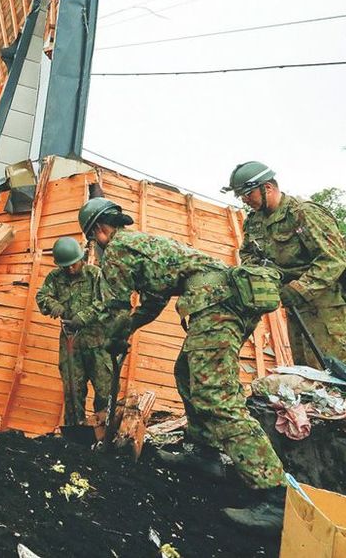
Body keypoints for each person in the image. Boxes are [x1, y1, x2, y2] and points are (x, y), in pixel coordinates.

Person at [79, 197, 287, 531]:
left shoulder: (118, 250)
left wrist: (113, 337)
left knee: (216, 397)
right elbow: (153, 301)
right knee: (187, 373)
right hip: (222, 299)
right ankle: (205, 455)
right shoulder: (143, 247)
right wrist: (129, 328)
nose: (96, 246)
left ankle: (275, 495)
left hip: (215, 303)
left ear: (100, 230)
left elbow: (114, 306)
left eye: (93, 239)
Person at [226, 161, 346, 370]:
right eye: (241, 196)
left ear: (267, 187)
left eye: (248, 194)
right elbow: (248, 253)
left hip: (328, 309)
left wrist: (300, 289)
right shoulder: (254, 222)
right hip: (294, 308)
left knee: (340, 374)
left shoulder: (303, 213)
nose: (245, 200)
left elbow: (333, 259)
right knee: (307, 374)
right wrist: (266, 278)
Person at [36, 237, 120, 427]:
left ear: (81, 258)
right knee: (73, 392)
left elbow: (105, 302)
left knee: (105, 392)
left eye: (73, 264)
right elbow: (42, 296)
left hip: (98, 345)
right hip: (71, 346)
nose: (70, 269)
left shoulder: (95, 275)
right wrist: (54, 305)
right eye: (65, 266)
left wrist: (83, 317)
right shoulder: (55, 278)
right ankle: (74, 436)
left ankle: (103, 432)